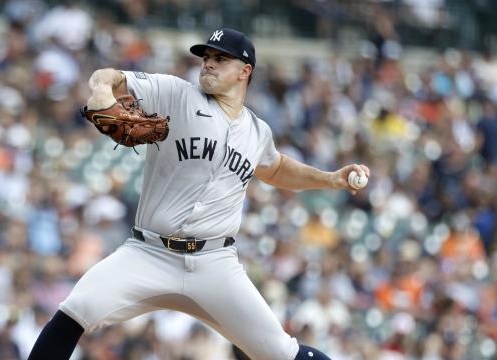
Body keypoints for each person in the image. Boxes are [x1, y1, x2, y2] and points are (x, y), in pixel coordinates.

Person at [27, 27, 370, 360]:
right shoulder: (177, 94)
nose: (208, 63)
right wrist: (102, 88)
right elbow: (110, 75)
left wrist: (331, 179)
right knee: (75, 311)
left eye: (221, 59)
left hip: (214, 264)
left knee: (282, 352)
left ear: (244, 71)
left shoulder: (257, 131)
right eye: (206, 56)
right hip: (148, 253)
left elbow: (276, 168)